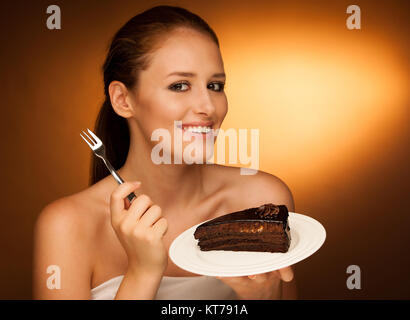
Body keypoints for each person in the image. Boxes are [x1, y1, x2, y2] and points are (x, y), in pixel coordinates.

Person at [33, 5, 297, 300]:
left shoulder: (262, 201)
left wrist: (263, 298)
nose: (208, 107)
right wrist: (143, 271)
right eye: (180, 85)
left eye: (215, 85)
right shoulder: (67, 226)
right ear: (123, 99)